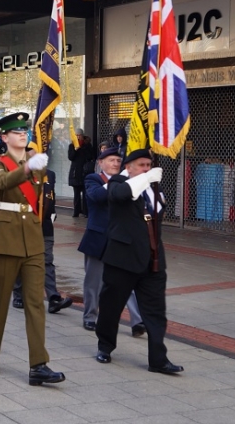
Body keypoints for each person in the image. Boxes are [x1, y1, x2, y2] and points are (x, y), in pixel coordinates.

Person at [0, 112, 65, 386]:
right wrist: (27, 169)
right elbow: (2, 184)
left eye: (24, 131)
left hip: (32, 240)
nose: (22, 134)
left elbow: (41, 199)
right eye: (16, 131)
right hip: (5, 239)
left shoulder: (36, 163)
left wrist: (34, 167)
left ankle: (38, 364)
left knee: (34, 303)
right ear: (4, 137)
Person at [94, 149, 182, 375]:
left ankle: (158, 360)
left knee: (155, 312)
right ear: (129, 167)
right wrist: (146, 178)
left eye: (148, 165)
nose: (146, 169)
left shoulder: (153, 188)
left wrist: (150, 182)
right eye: (141, 165)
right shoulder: (118, 182)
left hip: (152, 260)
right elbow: (122, 194)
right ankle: (105, 346)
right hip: (122, 259)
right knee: (111, 307)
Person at [80, 147, 144, 333]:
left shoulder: (128, 182)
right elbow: (96, 196)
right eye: (111, 160)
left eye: (118, 161)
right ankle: (90, 316)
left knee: (127, 282)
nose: (115, 164)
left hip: (121, 240)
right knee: (94, 282)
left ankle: (137, 321)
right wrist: (117, 182)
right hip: (99, 238)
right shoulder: (93, 179)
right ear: (101, 163)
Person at [12, 166, 74, 314]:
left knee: (46, 261)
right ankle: (19, 294)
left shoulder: (50, 175)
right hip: (24, 224)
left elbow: (51, 196)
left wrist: (51, 215)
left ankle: (53, 298)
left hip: (45, 226)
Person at [68, 128, 94, 217]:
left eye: (79, 135)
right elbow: (70, 157)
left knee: (86, 193)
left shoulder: (87, 145)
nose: (78, 137)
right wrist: (75, 149)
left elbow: (90, 156)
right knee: (76, 194)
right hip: (76, 173)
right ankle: (76, 211)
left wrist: (84, 148)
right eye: (77, 135)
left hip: (85, 172)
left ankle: (86, 212)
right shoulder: (72, 145)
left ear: (83, 136)